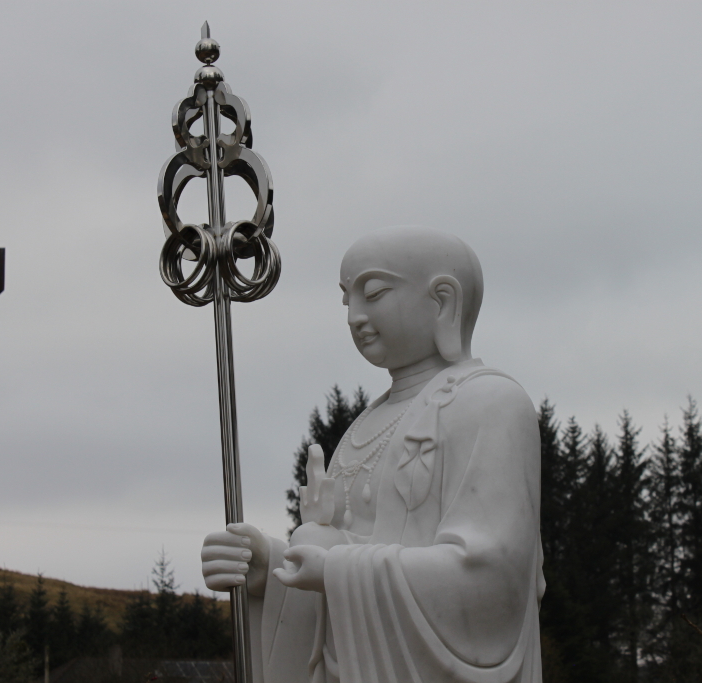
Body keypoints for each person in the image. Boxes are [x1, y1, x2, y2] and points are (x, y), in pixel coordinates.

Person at [202, 227, 544, 683]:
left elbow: (491, 578)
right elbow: (349, 548)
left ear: (443, 300)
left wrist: (335, 568)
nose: (355, 317)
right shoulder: (368, 422)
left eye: (375, 293)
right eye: (347, 301)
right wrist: (272, 567)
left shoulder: (490, 403)